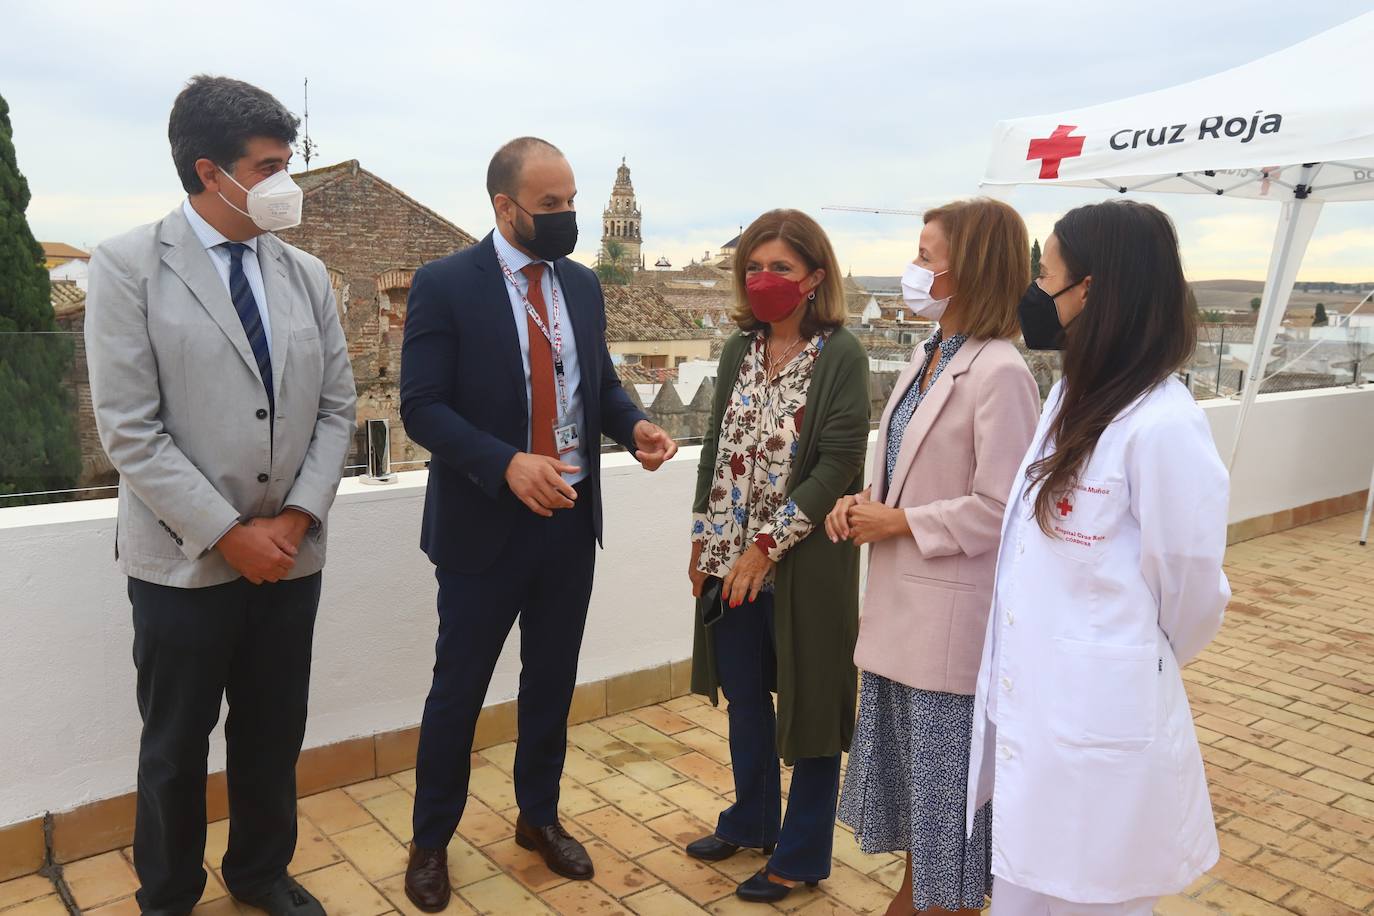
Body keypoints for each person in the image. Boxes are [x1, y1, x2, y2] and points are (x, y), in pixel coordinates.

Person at [84, 75, 357, 916]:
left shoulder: (305, 274)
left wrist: (298, 516)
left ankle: (260, 872)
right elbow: (130, 429)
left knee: (273, 732)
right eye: (271, 165)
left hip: (291, 555)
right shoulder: (129, 267)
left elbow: (338, 405)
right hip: (182, 562)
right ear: (212, 171)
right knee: (173, 745)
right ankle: (167, 892)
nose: (287, 184)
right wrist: (228, 532)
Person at [399, 137, 678, 912]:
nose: (566, 217)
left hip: (567, 523)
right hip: (485, 525)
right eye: (549, 206)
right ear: (504, 207)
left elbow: (602, 385)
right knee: (457, 692)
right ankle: (430, 843)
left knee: (550, 683)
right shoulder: (445, 284)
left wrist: (636, 427)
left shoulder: (581, 287)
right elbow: (420, 406)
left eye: (571, 202)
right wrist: (504, 463)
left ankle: (539, 819)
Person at [965, 200, 1230, 916]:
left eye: (1045, 276)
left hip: (1098, 727)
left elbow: (1192, 593)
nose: (1035, 296)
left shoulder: (1164, 425)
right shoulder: (1070, 398)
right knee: (1023, 894)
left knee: (1094, 899)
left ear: (1093, 292)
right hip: (1041, 724)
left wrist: (1117, 654)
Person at [831, 199, 1041, 916]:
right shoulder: (929, 355)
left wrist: (899, 522)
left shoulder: (1001, 372)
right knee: (927, 836)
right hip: (899, 623)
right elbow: (909, 470)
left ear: (972, 269)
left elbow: (999, 507)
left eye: (927, 257)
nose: (913, 270)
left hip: (946, 636)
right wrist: (864, 505)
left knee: (946, 841)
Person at [685, 209, 870, 904]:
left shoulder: (842, 355)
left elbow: (838, 463)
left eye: (781, 268)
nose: (764, 279)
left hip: (802, 569)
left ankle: (799, 854)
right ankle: (752, 820)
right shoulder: (741, 349)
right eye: (754, 267)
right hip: (731, 562)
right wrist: (704, 542)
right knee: (746, 703)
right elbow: (716, 451)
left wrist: (767, 548)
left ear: (815, 278)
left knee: (810, 709)